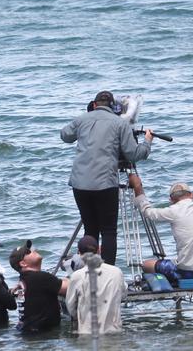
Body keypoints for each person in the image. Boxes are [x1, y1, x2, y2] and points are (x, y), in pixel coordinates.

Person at [60, 90, 154, 265]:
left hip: (80, 183)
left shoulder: (82, 119)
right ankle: (108, 273)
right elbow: (133, 154)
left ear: (94, 105)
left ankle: (89, 272)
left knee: (90, 229)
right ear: (113, 107)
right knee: (109, 231)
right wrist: (147, 142)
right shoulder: (120, 123)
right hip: (105, 184)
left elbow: (65, 135)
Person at [128, 174, 193, 283]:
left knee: (147, 265)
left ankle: (173, 282)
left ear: (171, 199)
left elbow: (148, 212)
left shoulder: (173, 211)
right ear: (191, 195)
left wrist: (137, 186)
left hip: (189, 272)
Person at [65, 236, 127, 334]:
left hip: (88, 333)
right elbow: (123, 295)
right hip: (114, 332)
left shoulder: (77, 276)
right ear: (99, 250)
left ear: (79, 253)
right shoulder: (117, 272)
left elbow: (71, 307)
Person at [9, 240, 68, 333]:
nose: (33, 250)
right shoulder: (40, 278)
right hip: (41, 334)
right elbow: (69, 287)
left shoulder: (25, 279)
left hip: (28, 330)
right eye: (28, 252)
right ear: (23, 263)